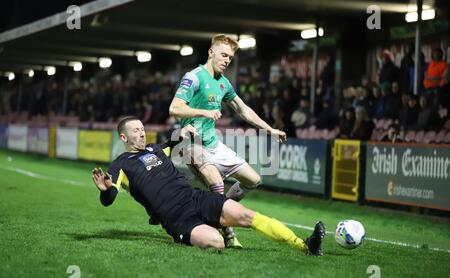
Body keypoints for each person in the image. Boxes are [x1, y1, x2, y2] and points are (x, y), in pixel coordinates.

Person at [91, 116, 325, 255]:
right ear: (124, 138)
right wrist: (105, 191)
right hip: (175, 216)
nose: (142, 133)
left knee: (247, 215)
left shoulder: (155, 148)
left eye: (142, 129)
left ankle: (305, 245)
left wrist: (183, 130)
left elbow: (172, 140)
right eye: (136, 131)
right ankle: (183, 235)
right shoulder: (120, 165)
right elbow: (110, 196)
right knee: (217, 242)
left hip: (195, 197)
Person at [168, 34, 287, 248]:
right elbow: (174, 108)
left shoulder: (223, 83)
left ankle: (209, 208)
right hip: (191, 144)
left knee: (254, 180)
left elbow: (243, 110)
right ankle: (228, 231)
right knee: (217, 184)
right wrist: (203, 112)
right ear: (210, 52)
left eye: (230, 58)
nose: (227, 60)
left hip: (214, 144)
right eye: (223, 55)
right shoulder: (193, 77)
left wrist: (269, 129)